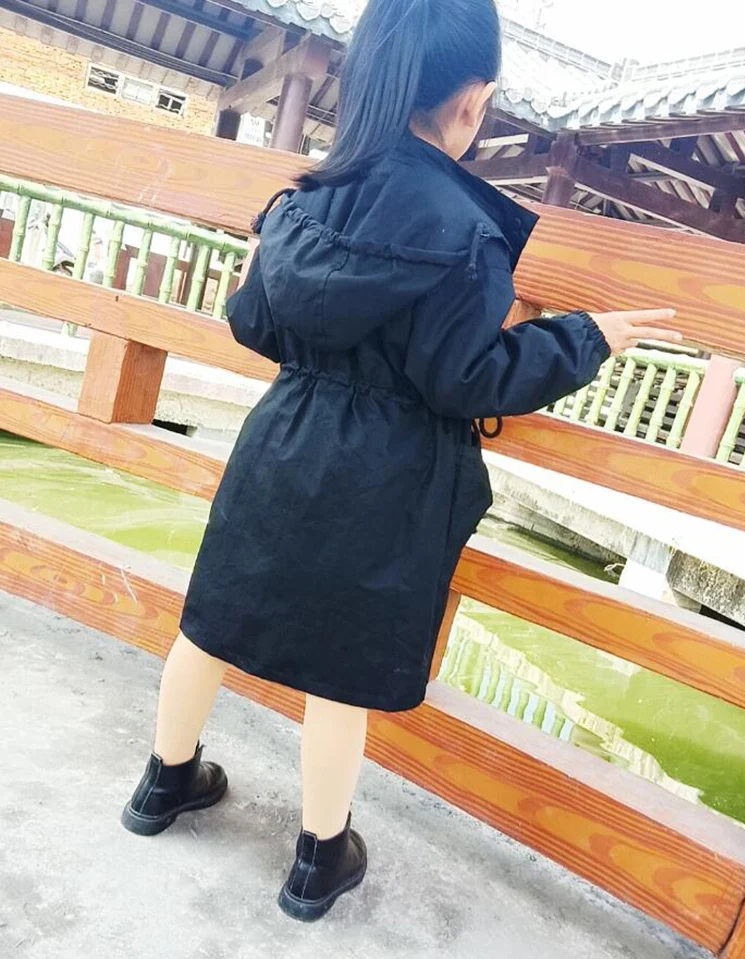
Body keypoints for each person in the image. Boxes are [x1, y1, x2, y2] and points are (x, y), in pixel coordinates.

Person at [120, 0, 681, 923]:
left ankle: (162, 782)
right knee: (341, 671)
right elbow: (465, 377)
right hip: (386, 476)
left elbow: (256, 321)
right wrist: (586, 338)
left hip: (282, 443)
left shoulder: (302, 200)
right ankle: (317, 860)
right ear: (473, 101)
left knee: (211, 618)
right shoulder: (465, 229)